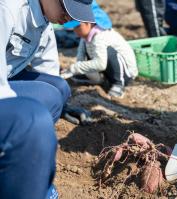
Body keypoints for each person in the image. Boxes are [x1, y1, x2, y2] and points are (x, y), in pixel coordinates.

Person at [0, 0, 95, 198]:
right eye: (68, 8)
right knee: (30, 119)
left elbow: (48, 67)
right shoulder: (7, 8)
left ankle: (26, 153)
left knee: (58, 91)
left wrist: (60, 106)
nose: (72, 18)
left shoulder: (43, 19)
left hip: (7, 78)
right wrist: (23, 120)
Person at [61, 1, 138, 99]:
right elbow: (80, 59)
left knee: (110, 52)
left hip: (126, 73)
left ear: (89, 23)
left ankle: (118, 84)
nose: (75, 31)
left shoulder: (101, 36)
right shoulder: (85, 37)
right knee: (86, 60)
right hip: (107, 72)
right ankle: (102, 80)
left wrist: (75, 68)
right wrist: (74, 70)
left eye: (77, 26)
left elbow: (101, 64)